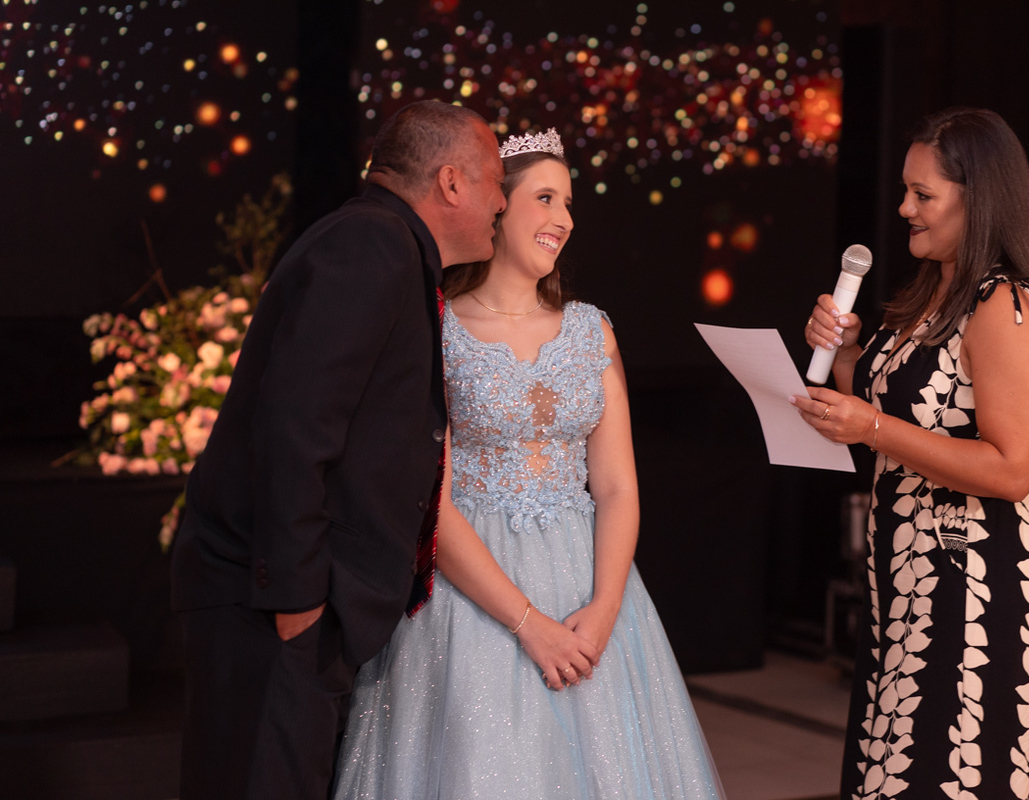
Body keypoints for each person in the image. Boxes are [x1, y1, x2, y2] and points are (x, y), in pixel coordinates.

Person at [332, 129, 725, 800]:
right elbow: (429, 497)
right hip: (468, 593)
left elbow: (617, 486)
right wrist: (527, 624)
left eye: (569, 203)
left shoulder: (591, 330)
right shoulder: (437, 329)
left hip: (588, 585)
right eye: (545, 198)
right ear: (498, 204)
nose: (563, 219)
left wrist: (604, 608)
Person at [169, 100, 507, 800]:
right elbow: (295, 424)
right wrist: (297, 599)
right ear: (450, 182)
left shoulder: (381, 243)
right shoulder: (371, 246)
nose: (501, 202)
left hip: (288, 603)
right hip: (272, 606)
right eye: (497, 182)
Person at [791, 107, 1029, 800]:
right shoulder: (935, 291)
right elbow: (902, 413)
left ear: (979, 200)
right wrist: (845, 354)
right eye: (906, 190)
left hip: (974, 585)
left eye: (923, 194)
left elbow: (1013, 469)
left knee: (943, 778)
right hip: (909, 583)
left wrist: (871, 428)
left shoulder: (1005, 305)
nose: (904, 208)